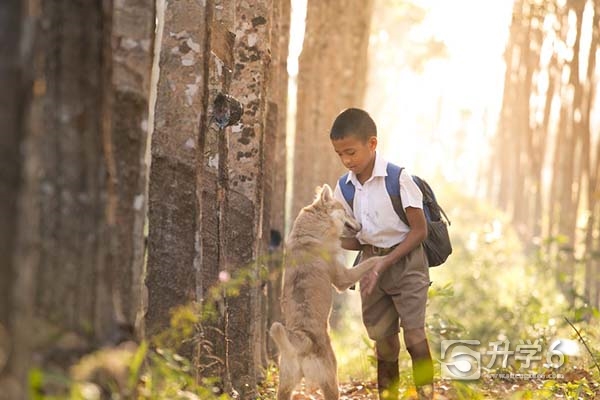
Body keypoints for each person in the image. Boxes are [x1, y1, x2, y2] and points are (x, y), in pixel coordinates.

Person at [330, 108, 434, 400]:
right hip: (370, 266)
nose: (346, 160)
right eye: (340, 154)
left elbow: (419, 231)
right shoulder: (344, 188)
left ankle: (427, 394)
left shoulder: (398, 179)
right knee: (385, 344)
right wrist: (328, 241)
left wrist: (386, 261)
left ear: (372, 144)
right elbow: (353, 239)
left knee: (414, 337)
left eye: (351, 152)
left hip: (407, 263)